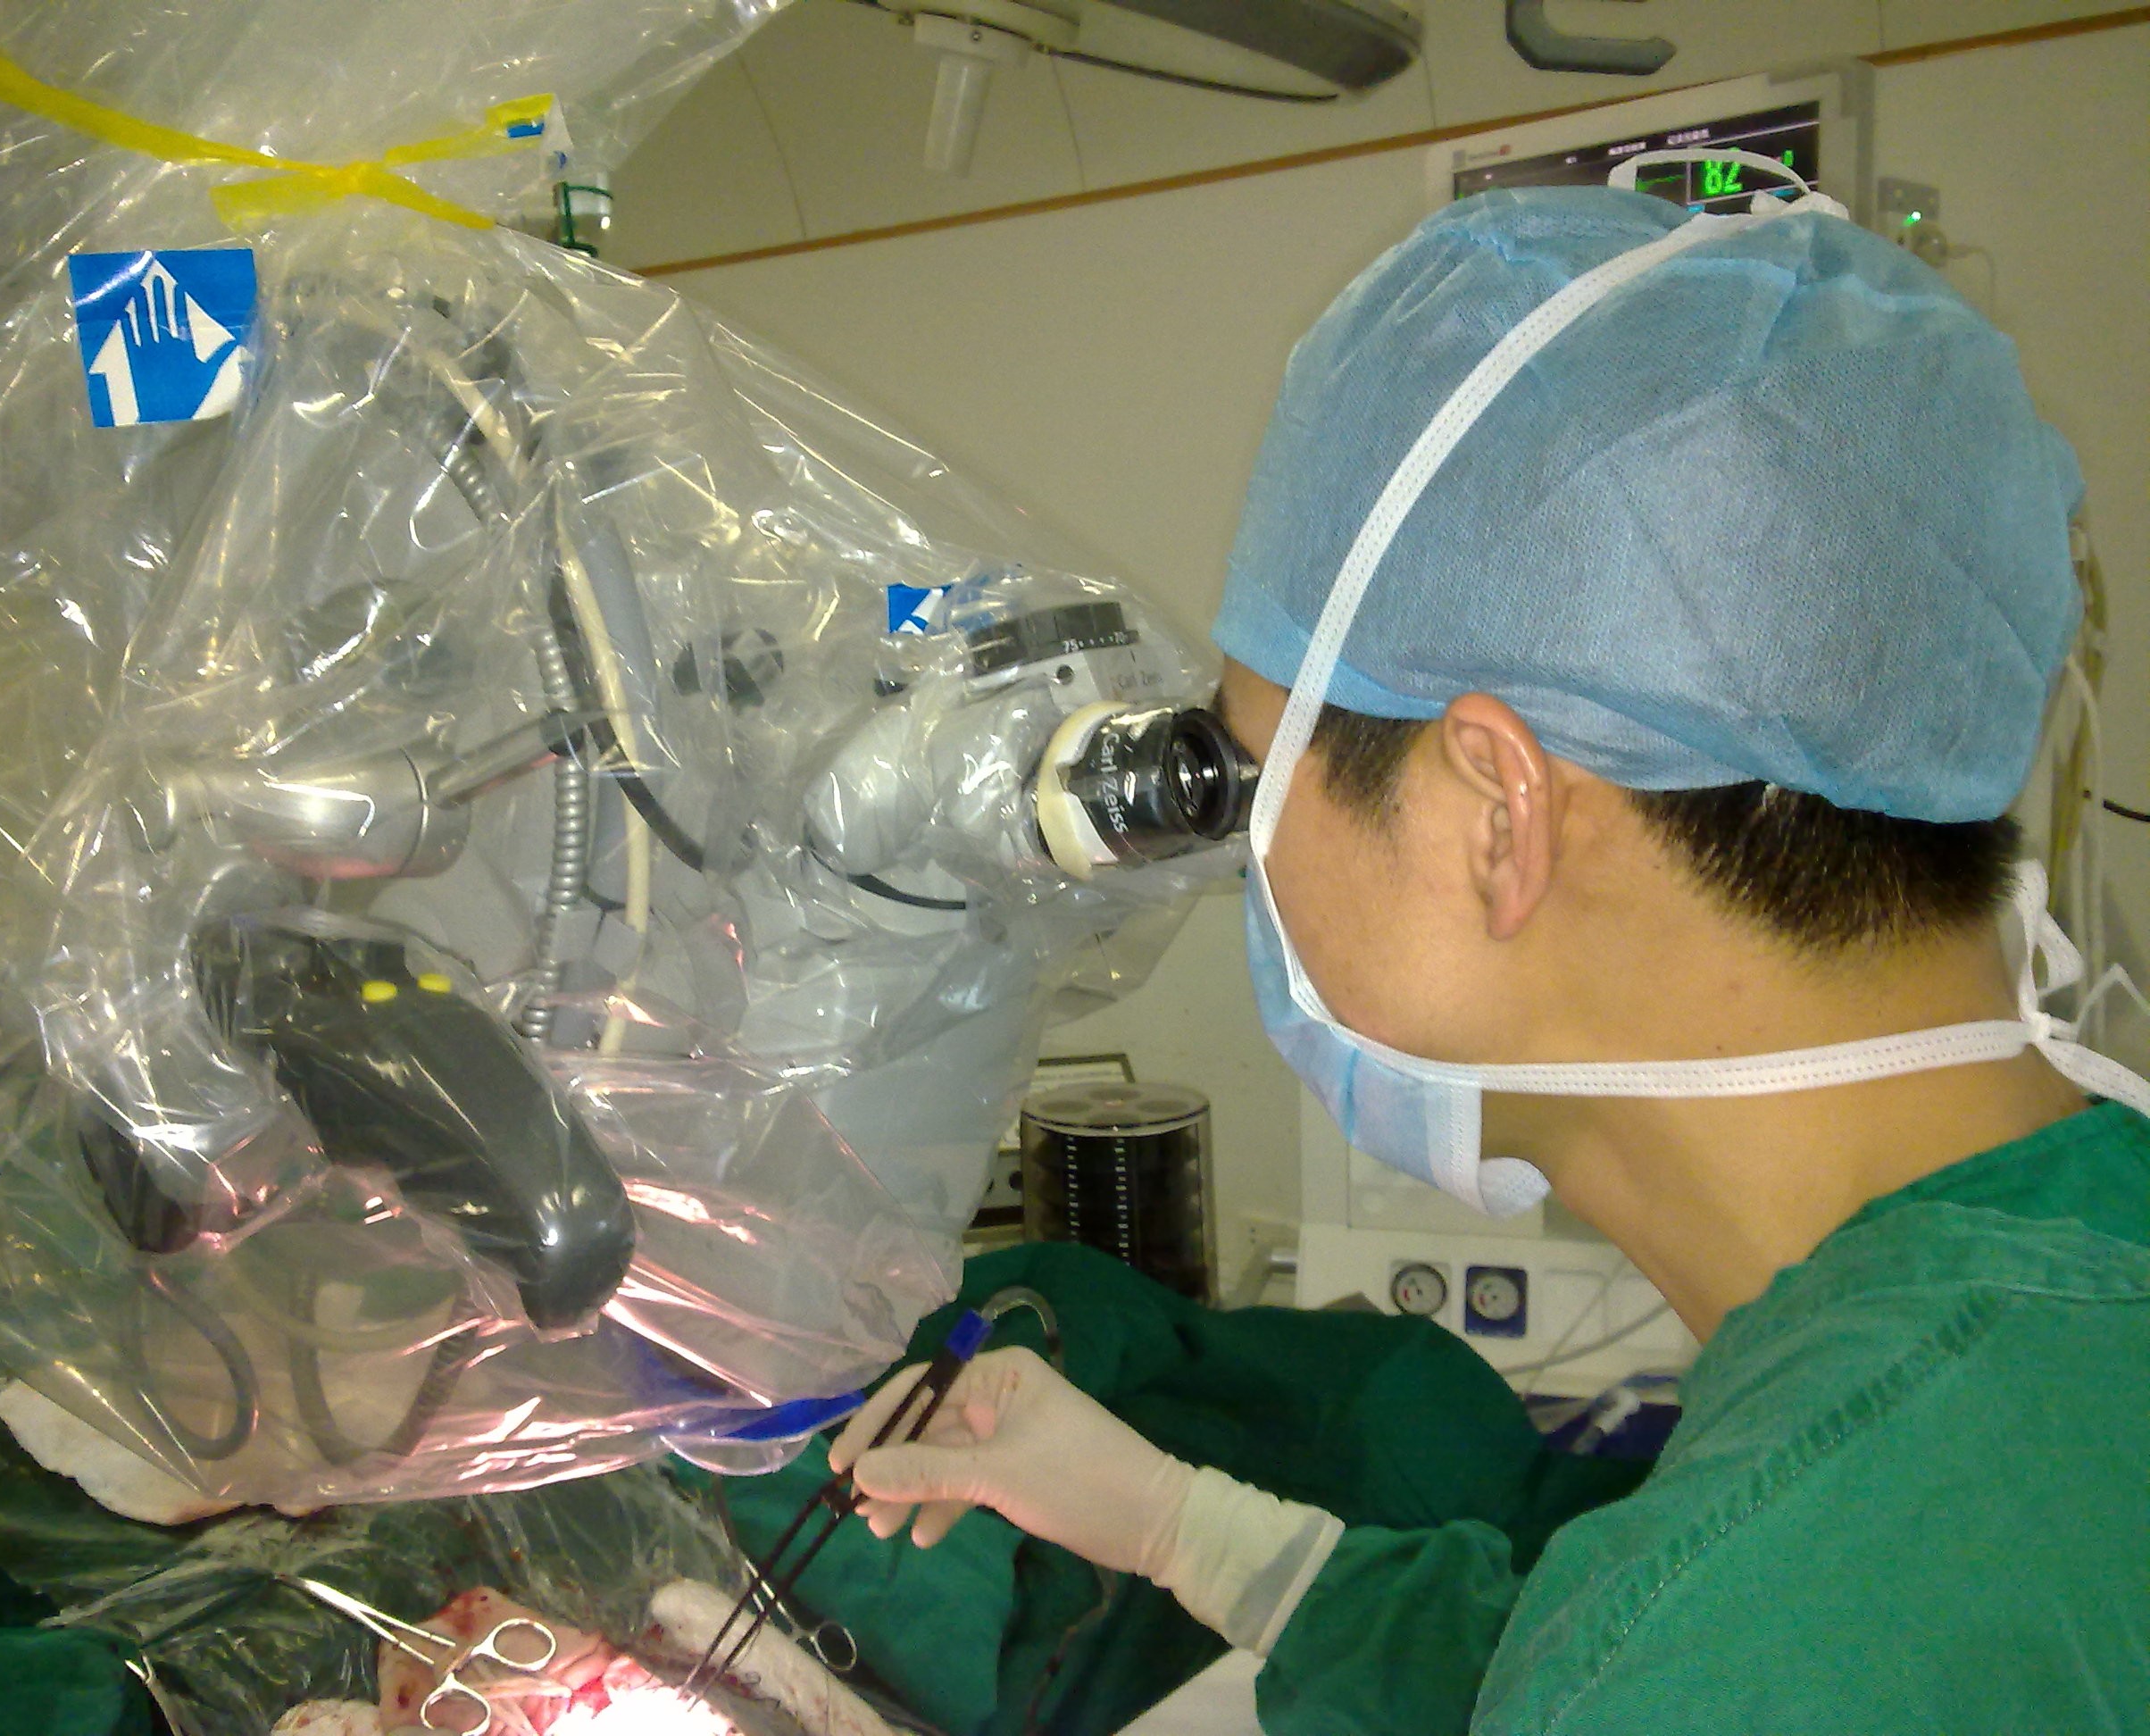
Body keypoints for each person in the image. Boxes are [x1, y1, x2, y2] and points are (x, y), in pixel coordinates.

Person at [830, 171, 2150, 1733]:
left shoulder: (1739, 1644)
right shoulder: (2059, 1276)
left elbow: (1674, 1665)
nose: (1245, 859)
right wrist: (1191, 1532)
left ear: (1494, 816)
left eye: (1255, 776)